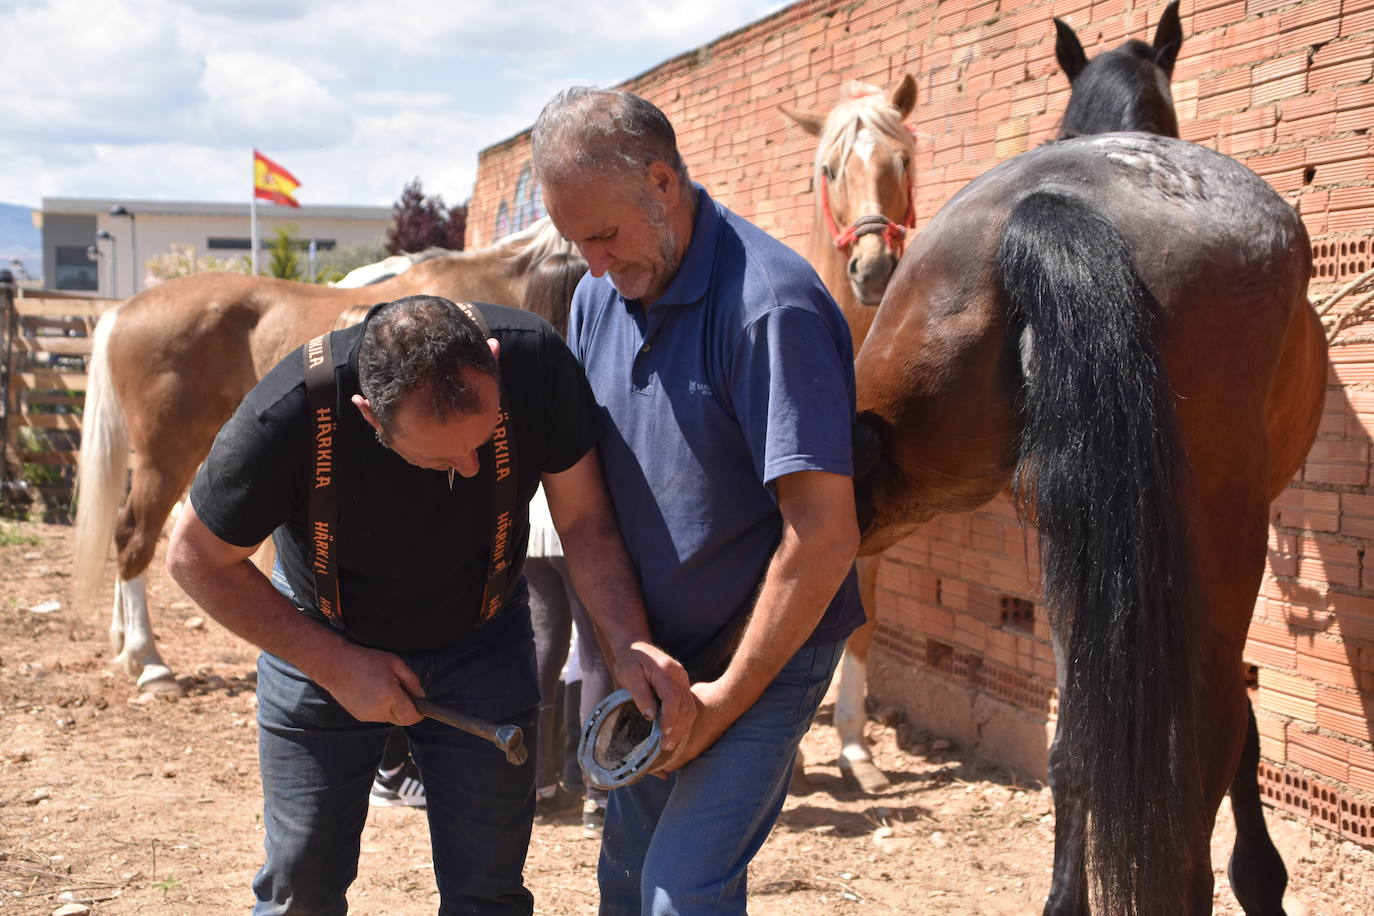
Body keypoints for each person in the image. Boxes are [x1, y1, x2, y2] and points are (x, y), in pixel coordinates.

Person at [165, 294, 694, 914]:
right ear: (369, 415)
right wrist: (333, 663)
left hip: (482, 641)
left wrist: (629, 643)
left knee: (487, 891)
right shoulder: (294, 412)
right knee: (300, 884)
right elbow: (193, 557)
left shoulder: (532, 363)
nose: (470, 468)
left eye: (484, 437)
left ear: (492, 361)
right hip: (321, 637)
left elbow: (586, 522)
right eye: (441, 455)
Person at [532, 87, 864, 913]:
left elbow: (823, 535)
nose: (596, 265)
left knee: (682, 889)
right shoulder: (593, 299)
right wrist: (630, 650)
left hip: (768, 647)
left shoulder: (768, 307)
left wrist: (719, 704)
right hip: (659, 654)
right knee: (623, 879)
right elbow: (587, 516)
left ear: (663, 182)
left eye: (604, 235)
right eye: (579, 245)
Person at [521, 252, 615, 837]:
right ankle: (599, 793)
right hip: (579, 520)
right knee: (600, 652)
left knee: (542, 648)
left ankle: (536, 784)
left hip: (530, 521)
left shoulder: (518, 365)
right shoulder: (590, 361)